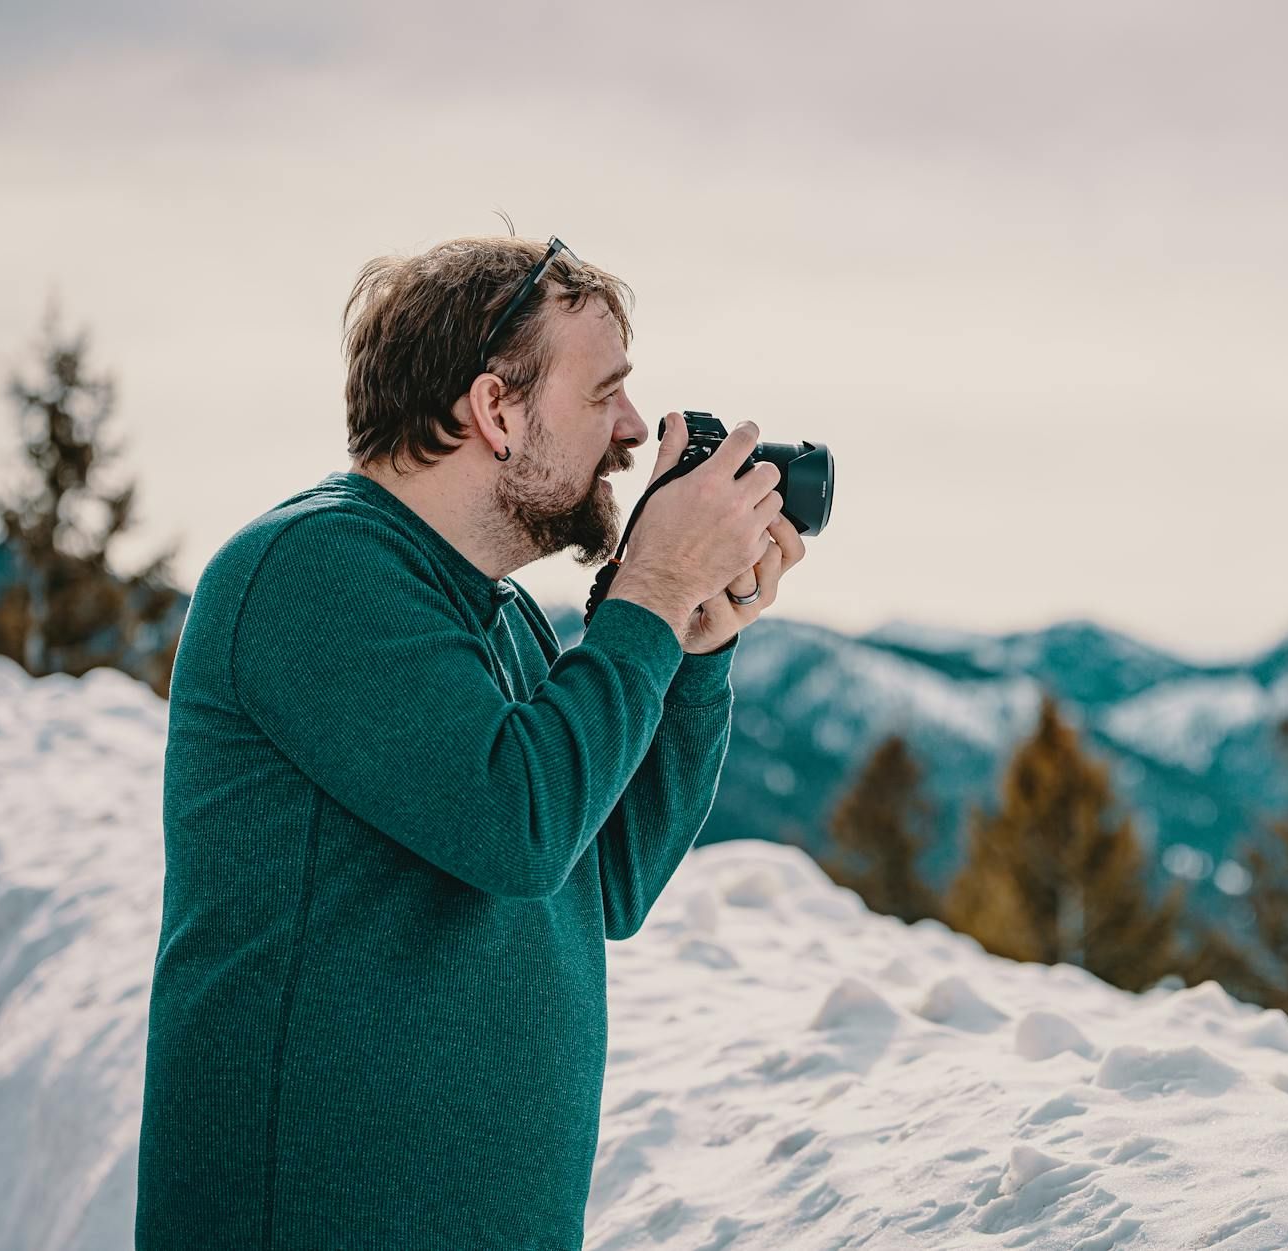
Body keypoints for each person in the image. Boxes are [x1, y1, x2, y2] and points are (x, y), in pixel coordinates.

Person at [134, 234, 806, 1249]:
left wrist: (691, 648)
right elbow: (518, 826)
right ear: (494, 410)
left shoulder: (499, 618)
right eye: (603, 396)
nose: (632, 431)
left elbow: (603, 880)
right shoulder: (311, 570)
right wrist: (649, 592)